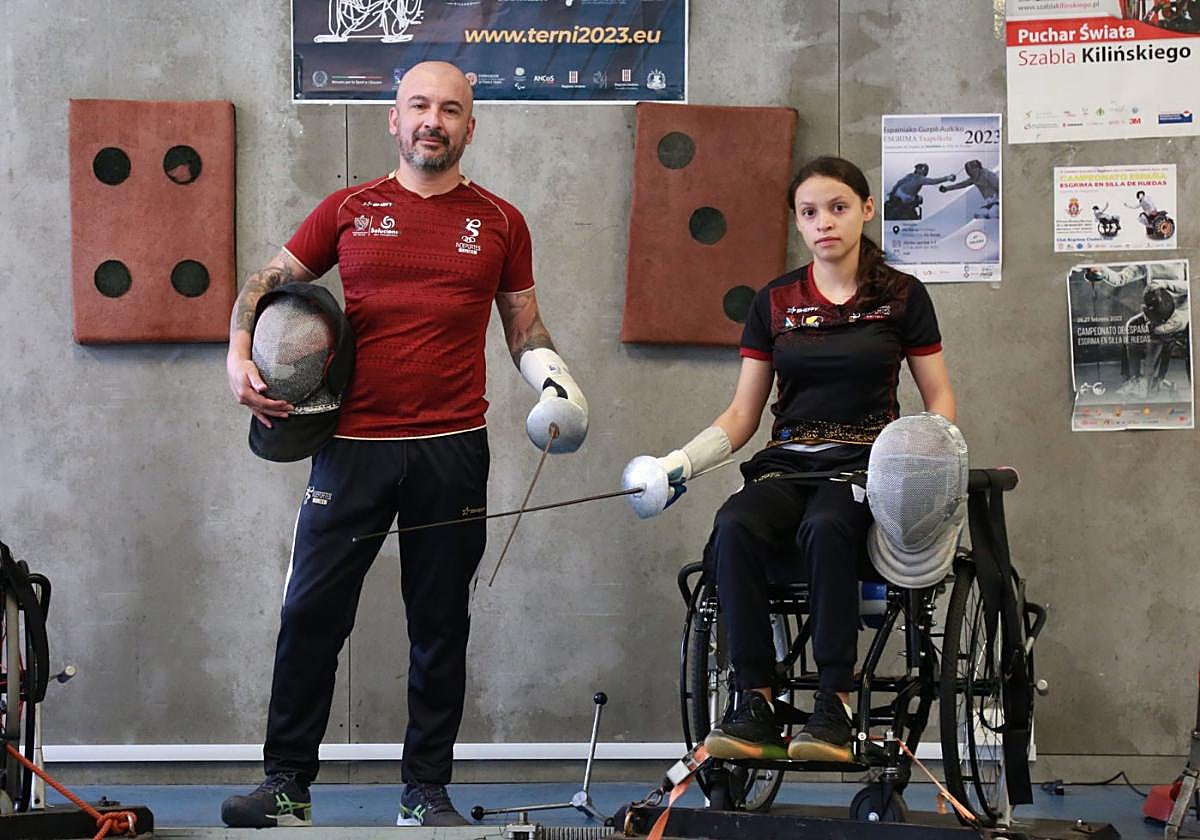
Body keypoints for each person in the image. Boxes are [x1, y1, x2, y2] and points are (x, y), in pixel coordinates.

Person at [221, 61, 588, 828]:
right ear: (394, 119)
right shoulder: (349, 208)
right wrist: (238, 352)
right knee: (312, 615)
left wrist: (556, 380)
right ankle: (286, 783)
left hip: (452, 447)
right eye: (419, 105)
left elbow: (524, 324)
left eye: (450, 109)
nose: (433, 120)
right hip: (352, 445)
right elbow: (264, 281)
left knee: (439, 622)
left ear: (469, 127)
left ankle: (425, 790)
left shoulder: (500, 221)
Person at [623, 156, 955, 763]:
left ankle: (835, 700)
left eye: (837, 207)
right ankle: (757, 698)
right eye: (809, 212)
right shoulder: (774, 300)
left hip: (863, 466)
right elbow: (742, 415)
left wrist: (929, 472)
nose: (824, 222)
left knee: (826, 527)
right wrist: (678, 465)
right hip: (788, 462)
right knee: (733, 527)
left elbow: (940, 402)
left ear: (865, 210)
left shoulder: (902, 296)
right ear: (797, 224)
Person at [884, 163, 955, 220]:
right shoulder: (919, 178)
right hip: (905, 198)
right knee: (919, 199)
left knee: (917, 198)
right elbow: (934, 181)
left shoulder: (911, 176)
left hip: (898, 193)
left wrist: (892, 192)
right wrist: (948, 178)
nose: (919, 169)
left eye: (921, 168)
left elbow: (898, 183)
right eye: (919, 168)